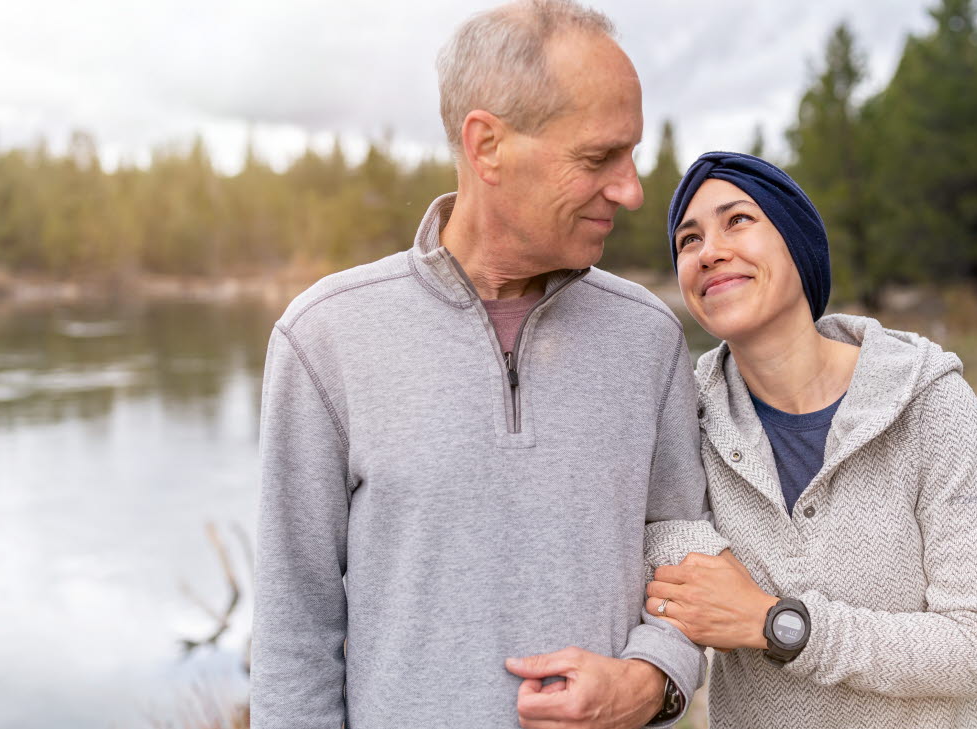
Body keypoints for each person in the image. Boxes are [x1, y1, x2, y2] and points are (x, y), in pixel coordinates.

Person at [249, 2, 729, 727]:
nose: (632, 190)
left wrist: (651, 680)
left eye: (631, 155)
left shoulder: (649, 336)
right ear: (488, 146)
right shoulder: (324, 338)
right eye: (598, 158)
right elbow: (294, 636)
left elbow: (684, 558)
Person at [643, 152, 977, 728]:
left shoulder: (930, 402)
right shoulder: (684, 419)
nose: (709, 251)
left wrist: (775, 623)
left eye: (737, 220)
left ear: (798, 245)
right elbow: (663, 563)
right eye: (688, 240)